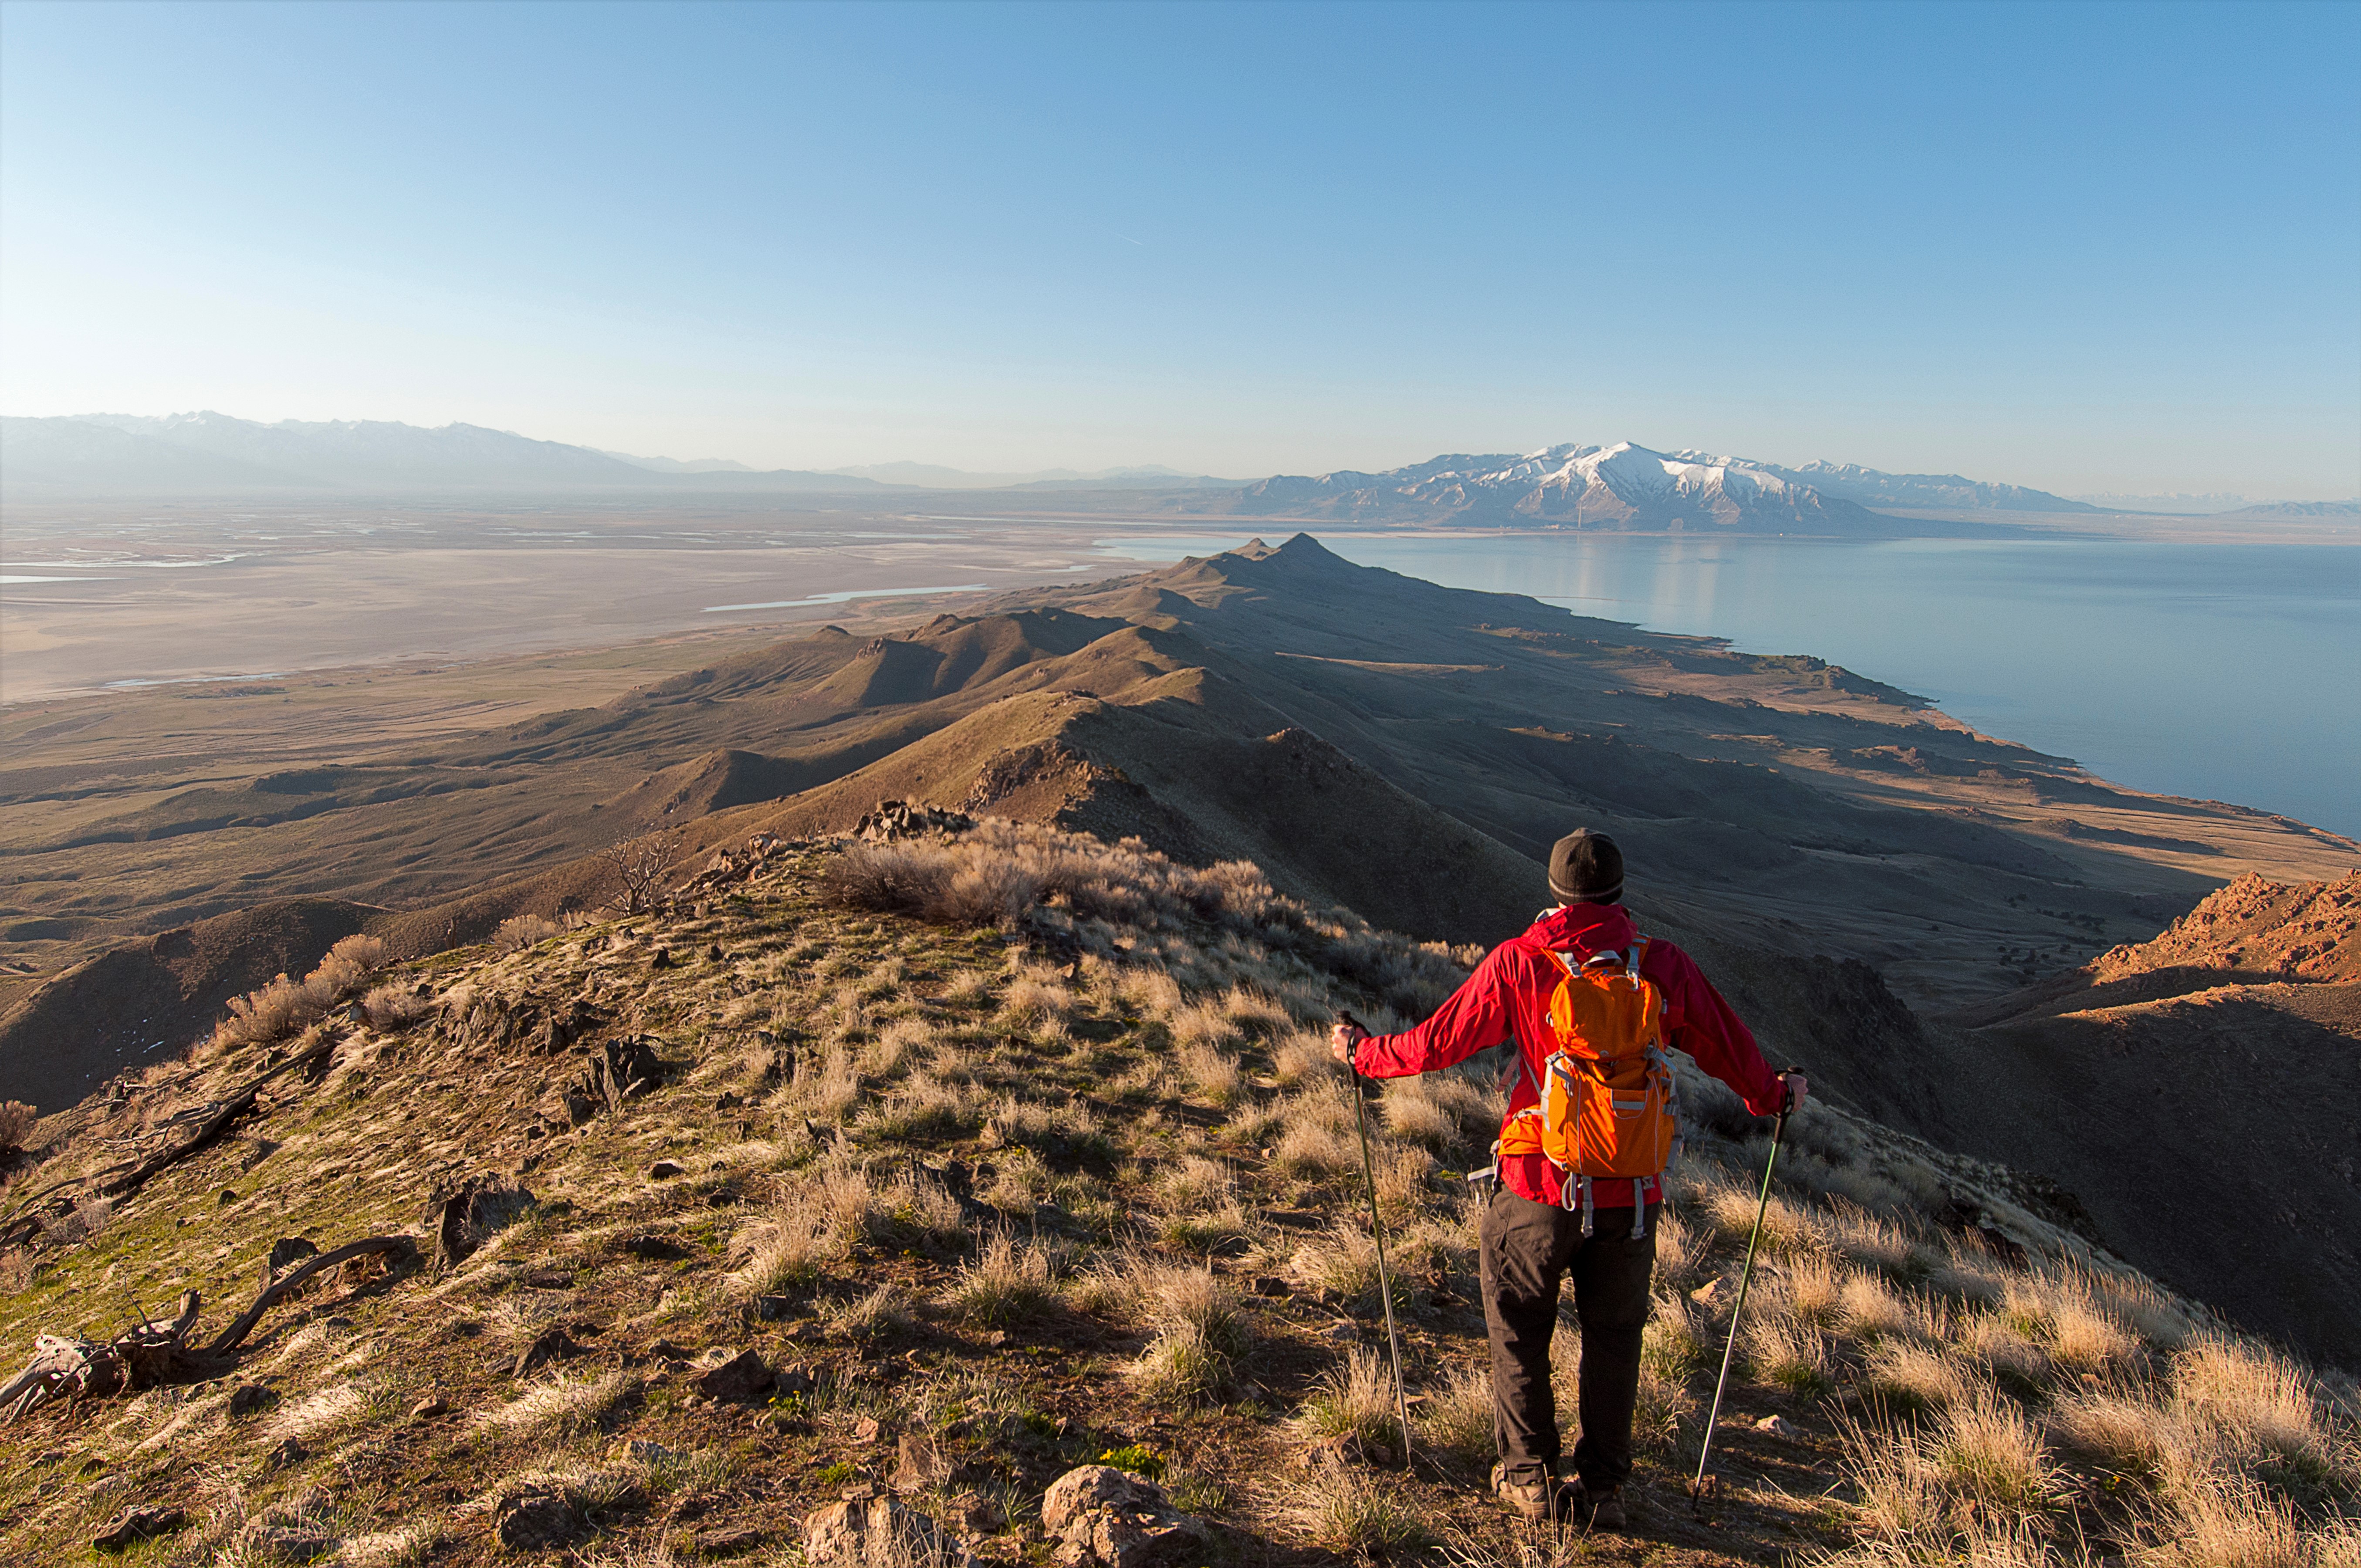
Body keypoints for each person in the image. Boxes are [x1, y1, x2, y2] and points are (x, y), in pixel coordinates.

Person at [1330, 829, 1804, 1528]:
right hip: (1631, 1195)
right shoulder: (1661, 966)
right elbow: (1726, 1047)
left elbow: (1436, 1044)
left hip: (1538, 1187)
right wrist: (1776, 1094)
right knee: (1615, 1338)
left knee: (1520, 1328)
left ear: (1555, 892)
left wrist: (1362, 1053)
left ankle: (1529, 1477)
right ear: (1618, 892)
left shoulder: (1521, 963)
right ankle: (1604, 1490)